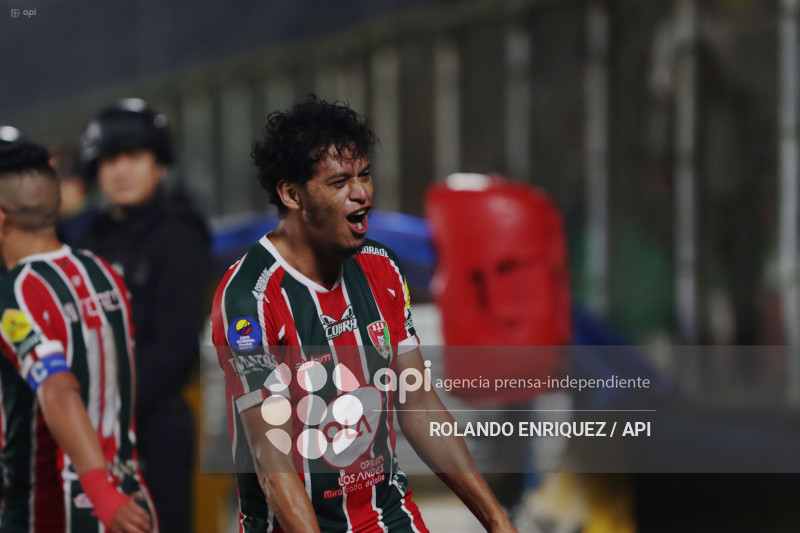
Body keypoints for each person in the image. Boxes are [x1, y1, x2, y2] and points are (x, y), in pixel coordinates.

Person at [211, 96, 517, 533]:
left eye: (365, 175)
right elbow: (269, 456)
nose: (361, 194)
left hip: (387, 519)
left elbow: (419, 406)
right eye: (339, 182)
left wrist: (496, 519)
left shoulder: (382, 268)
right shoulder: (249, 299)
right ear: (292, 194)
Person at [0, 139, 155, 532]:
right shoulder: (103, 272)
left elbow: (58, 387)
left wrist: (97, 489)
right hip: (131, 498)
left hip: (54, 508)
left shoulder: (13, 293)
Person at [77, 98, 211, 533]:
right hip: (86, 427)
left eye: (134, 156)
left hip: (154, 424)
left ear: (158, 165)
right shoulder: (84, 238)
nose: (120, 170)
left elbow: (175, 343)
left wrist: (102, 409)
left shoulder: (180, 232)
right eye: (110, 159)